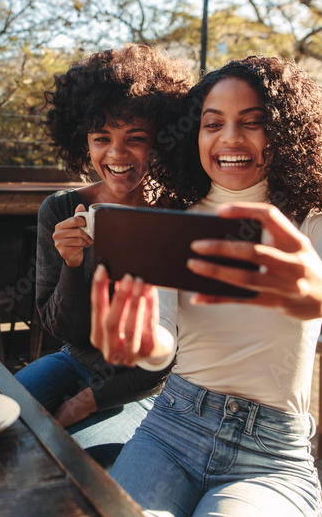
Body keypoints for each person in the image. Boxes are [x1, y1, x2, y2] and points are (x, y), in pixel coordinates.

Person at [89, 55, 322, 516]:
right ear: (195, 135)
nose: (229, 138)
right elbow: (162, 346)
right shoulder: (174, 224)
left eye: (253, 122)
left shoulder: (317, 223)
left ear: (286, 133)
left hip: (270, 458)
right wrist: (141, 343)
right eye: (213, 123)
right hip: (171, 429)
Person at [15, 43, 193, 465]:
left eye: (135, 139)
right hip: (73, 361)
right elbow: (62, 328)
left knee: (73, 462)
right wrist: (74, 266)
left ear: (160, 144)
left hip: (147, 387)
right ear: (84, 143)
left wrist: (83, 404)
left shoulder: (177, 217)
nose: (116, 154)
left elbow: (174, 351)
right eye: (102, 139)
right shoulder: (60, 209)